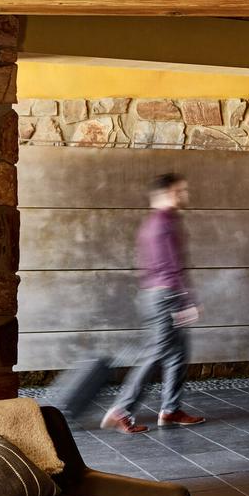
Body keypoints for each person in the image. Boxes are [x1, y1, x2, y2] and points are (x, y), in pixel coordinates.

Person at [101, 173, 206, 434]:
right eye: (180, 191)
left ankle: (170, 410)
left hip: (156, 295)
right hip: (166, 296)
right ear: (168, 193)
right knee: (157, 353)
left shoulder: (155, 222)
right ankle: (121, 410)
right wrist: (188, 301)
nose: (185, 195)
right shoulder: (163, 223)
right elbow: (171, 267)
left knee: (178, 353)